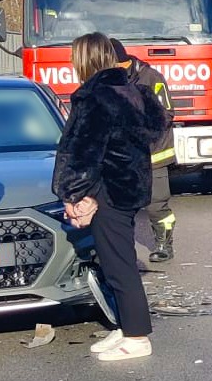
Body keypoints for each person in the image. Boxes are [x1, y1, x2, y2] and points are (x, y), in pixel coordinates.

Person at [53, 32, 169, 362]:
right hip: (129, 187)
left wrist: (74, 194)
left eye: (76, 57)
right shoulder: (133, 91)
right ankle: (125, 325)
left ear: (87, 60)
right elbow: (156, 127)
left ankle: (136, 337)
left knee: (119, 265)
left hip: (107, 190)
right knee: (115, 259)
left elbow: (83, 153)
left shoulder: (96, 98)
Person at [111, 39, 177, 261]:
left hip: (154, 153)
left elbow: (166, 113)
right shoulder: (110, 81)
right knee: (123, 207)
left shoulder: (151, 78)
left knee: (157, 205)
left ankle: (164, 244)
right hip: (125, 157)